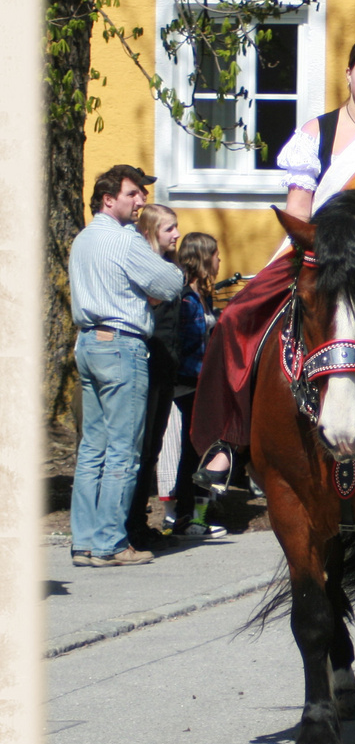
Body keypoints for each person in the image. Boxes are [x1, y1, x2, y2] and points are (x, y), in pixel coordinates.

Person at [191, 31, 355, 492]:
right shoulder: (314, 133)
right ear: (348, 74)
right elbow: (299, 205)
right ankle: (229, 442)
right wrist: (304, 250)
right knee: (234, 317)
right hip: (322, 252)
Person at [69, 165, 185, 567]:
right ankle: (111, 544)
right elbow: (170, 283)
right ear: (108, 199)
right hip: (121, 345)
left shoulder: (83, 239)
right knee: (123, 449)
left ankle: (84, 541)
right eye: (133, 194)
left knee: (92, 450)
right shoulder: (124, 240)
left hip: (87, 342)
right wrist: (145, 288)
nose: (140, 202)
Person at [124, 203, 182, 550]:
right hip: (146, 364)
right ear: (150, 232)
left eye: (176, 228)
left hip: (165, 368)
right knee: (139, 448)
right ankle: (129, 522)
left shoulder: (169, 267)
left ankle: (140, 522)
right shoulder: (148, 269)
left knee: (153, 449)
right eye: (168, 229)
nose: (176, 234)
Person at [168, 232, 226, 538]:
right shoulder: (185, 298)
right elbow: (187, 346)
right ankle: (185, 519)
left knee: (201, 451)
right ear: (203, 257)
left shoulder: (202, 295)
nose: (219, 259)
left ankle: (197, 517)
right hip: (190, 384)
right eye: (215, 253)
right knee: (194, 451)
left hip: (203, 384)